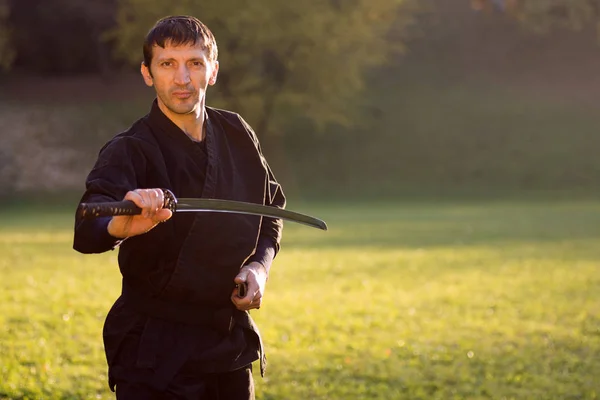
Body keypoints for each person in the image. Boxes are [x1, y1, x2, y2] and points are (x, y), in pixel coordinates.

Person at [73, 15, 285, 399]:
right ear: (147, 73)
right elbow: (88, 225)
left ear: (213, 71)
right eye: (167, 64)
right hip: (153, 350)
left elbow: (271, 210)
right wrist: (125, 224)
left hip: (226, 345)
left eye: (195, 63)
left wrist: (259, 267)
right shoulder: (130, 148)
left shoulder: (237, 133)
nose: (182, 78)